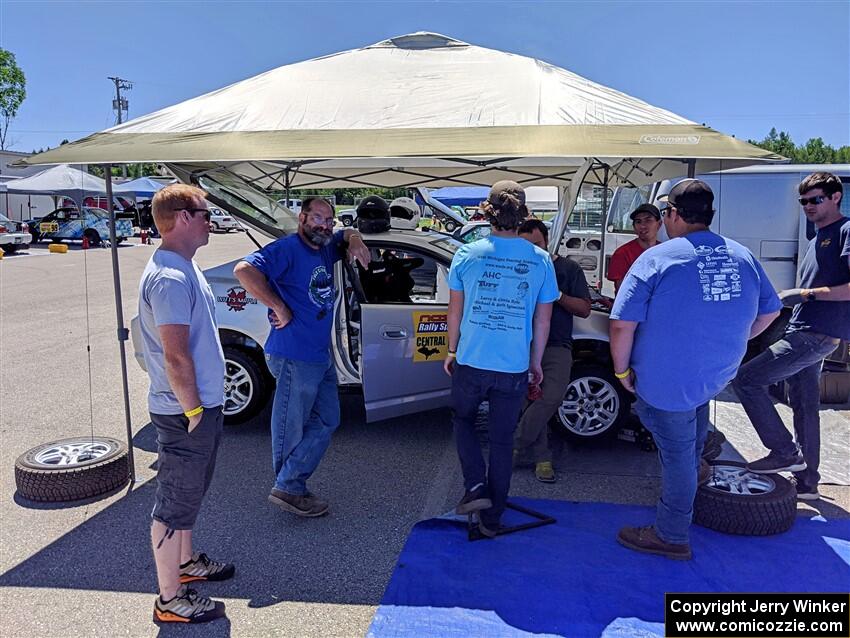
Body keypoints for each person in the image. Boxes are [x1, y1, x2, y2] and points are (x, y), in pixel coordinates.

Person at [609, 179, 781, 560]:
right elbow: (770, 309)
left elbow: (621, 324)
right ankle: (697, 470)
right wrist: (737, 340)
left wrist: (621, 372)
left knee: (676, 455)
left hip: (665, 380)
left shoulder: (657, 258)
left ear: (671, 214)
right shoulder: (742, 255)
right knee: (695, 427)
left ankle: (670, 534)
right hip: (715, 372)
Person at [234, 196, 370, 517]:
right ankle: (289, 487)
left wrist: (355, 239)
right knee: (289, 426)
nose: (324, 224)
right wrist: (277, 305)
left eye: (329, 220)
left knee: (328, 419)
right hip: (294, 353)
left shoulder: (325, 246)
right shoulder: (287, 249)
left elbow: (347, 232)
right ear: (302, 217)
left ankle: (289, 482)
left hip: (318, 354)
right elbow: (244, 270)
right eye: (318, 218)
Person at [138, 184, 233, 624]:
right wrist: (194, 410)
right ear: (181, 217)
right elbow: (175, 355)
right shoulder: (170, 278)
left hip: (198, 407)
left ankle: (186, 563)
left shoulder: (184, 267)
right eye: (204, 212)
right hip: (183, 412)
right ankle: (169, 599)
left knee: (189, 492)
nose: (210, 219)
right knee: (174, 501)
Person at [444, 180, 559, 537]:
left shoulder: (467, 253)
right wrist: (535, 362)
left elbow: (454, 312)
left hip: (471, 360)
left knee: (462, 420)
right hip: (513, 366)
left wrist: (451, 349)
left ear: (487, 212)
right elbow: (543, 319)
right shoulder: (540, 259)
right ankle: (492, 519)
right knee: (501, 439)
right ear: (523, 215)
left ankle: (475, 486)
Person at [732, 172, 849, 501]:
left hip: (816, 335)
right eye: (804, 201)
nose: (808, 206)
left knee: (746, 380)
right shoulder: (816, 238)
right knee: (804, 406)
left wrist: (806, 294)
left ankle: (784, 451)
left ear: (836, 197)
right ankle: (808, 482)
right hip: (804, 329)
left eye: (816, 200)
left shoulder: (845, 231)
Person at [513, 218, 591, 482]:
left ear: (547, 241)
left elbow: (583, 308)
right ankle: (542, 458)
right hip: (522, 342)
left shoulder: (568, 268)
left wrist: (557, 295)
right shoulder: (518, 267)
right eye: (525, 246)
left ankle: (513, 444)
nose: (532, 251)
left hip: (557, 344)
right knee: (528, 403)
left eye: (536, 245)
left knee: (551, 398)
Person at [607, 203, 663, 294]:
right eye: (638, 222)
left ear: (659, 224)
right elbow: (624, 292)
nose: (643, 226)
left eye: (648, 220)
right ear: (634, 227)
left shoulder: (665, 252)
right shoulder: (622, 253)